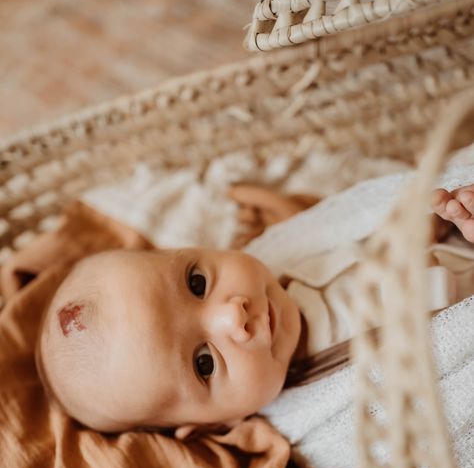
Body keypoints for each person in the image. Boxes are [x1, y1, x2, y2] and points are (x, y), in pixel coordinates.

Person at [36, 182, 474, 436]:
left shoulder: (280, 259)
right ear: (215, 425)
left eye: (196, 282)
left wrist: (299, 218)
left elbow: (350, 230)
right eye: (204, 363)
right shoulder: (326, 412)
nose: (233, 316)